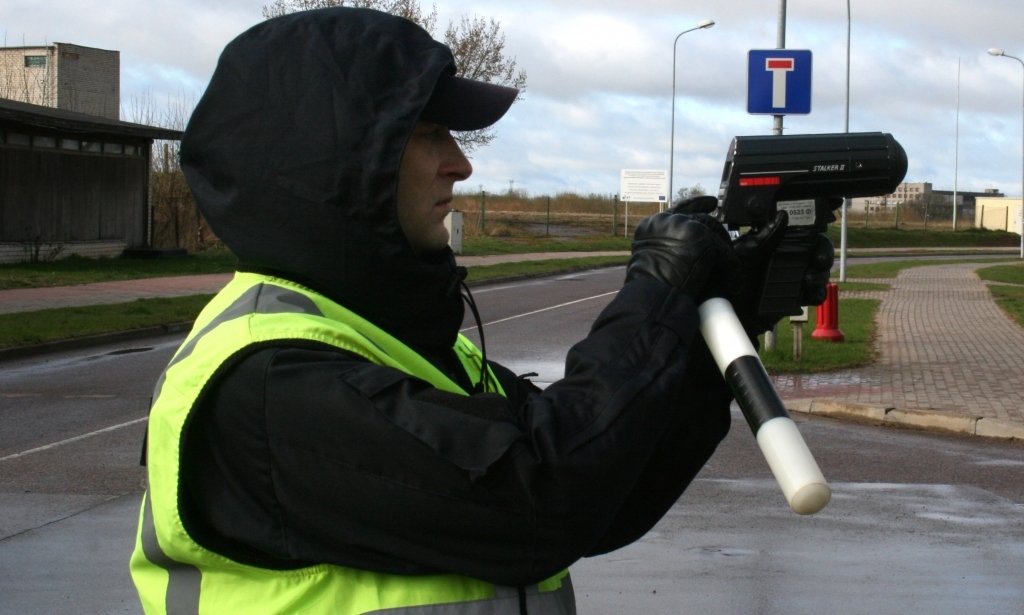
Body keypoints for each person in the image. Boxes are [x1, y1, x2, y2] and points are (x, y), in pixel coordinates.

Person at [129, 7, 789, 614]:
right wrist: (655, 296)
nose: (461, 163)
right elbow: (543, 496)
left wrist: (712, 328)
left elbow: (602, 495)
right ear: (335, 163)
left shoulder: (404, 345)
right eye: (428, 133)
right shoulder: (268, 382)